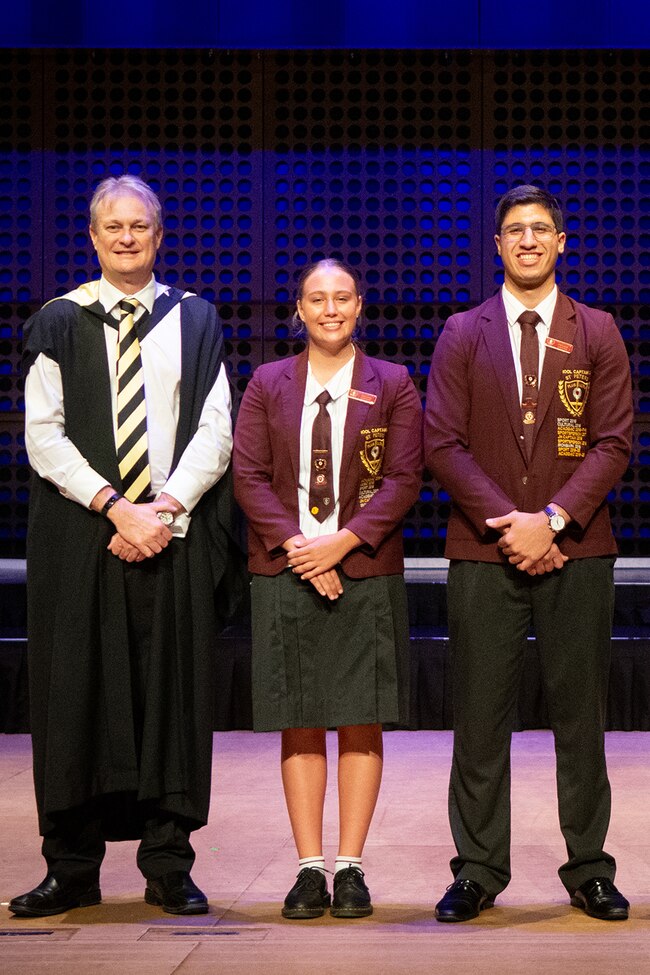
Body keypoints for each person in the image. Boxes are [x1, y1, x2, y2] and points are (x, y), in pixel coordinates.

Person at [11, 174, 243, 918]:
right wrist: (115, 506)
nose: (125, 237)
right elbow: (41, 435)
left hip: (169, 536)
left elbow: (217, 426)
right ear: (92, 235)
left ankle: (168, 863)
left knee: (169, 695)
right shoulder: (56, 319)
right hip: (82, 538)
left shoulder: (197, 319)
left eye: (138, 225)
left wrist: (165, 507)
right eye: (112, 226)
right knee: (73, 693)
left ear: (158, 233)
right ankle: (71, 866)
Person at [424, 185, 633, 923]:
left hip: (577, 549)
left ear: (562, 241)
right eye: (514, 230)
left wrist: (551, 519)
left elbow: (614, 443)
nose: (529, 240)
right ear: (497, 244)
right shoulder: (461, 330)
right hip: (484, 552)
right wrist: (510, 523)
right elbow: (440, 441)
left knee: (582, 715)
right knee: (480, 718)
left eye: (541, 229)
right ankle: (477, 868)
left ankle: (590, 869)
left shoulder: (599, 329)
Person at [233, 258, 422, 919]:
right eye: (319, 298)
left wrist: (341, 544)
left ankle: (352, 867)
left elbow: (403, 479)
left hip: (363, 568)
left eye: (343, 297)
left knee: (362, 717)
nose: (332, 308)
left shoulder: (393, 384)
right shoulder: (266, 382)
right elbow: (249, 476)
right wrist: (301, 549)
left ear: (360, 305)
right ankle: (309, 867)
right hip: (286, 569)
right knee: (301, 718)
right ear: (301, 309)